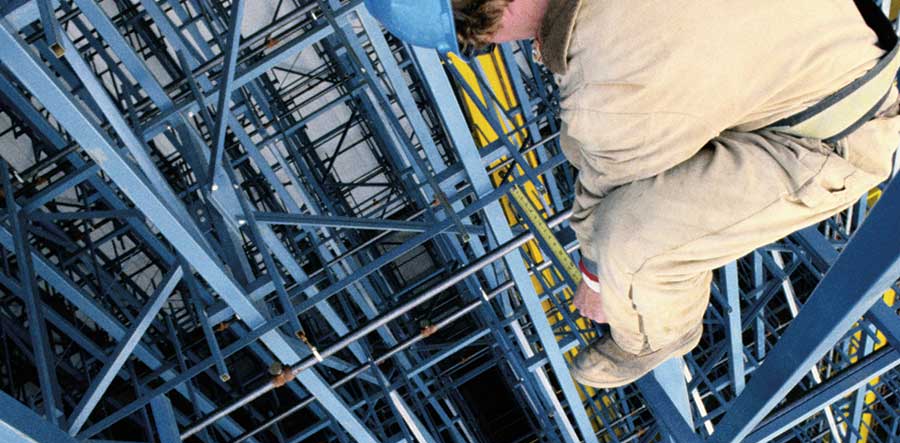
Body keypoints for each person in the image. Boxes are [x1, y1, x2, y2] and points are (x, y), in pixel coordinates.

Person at [365, 0, 900, 388]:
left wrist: (596, 280)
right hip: (845, 44)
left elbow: (612, 185)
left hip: (842, 136)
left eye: (475, 43)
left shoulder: (608, 86)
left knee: (632, 244)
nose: (494, 49)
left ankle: (656, 336)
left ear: (486, 16)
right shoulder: (606, 78)